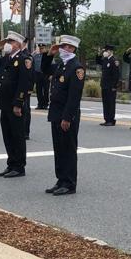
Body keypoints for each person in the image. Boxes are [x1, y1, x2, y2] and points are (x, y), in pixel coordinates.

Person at [46, 36, 84, 196]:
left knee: (68, 149)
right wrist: (49, 55)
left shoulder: (76, 68)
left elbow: (74, 96)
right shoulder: (62, 64)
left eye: (67, 47)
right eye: (62, 46)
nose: (63, 49)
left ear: (73, 49)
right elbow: (45, 70)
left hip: (66, 115)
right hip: (55, 112)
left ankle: (69, 183)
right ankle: (60, 179)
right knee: (59, 148)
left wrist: (67, 118)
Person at [0, 31, 32, 178]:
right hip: (5, 104)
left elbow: (25, 83)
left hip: (15, 104)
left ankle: (19, 166)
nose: (7, 44)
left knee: (17, 135)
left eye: (10, 42)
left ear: (17, 44)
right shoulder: (7, 59)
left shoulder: (24, 59)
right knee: (7, 135)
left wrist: (18, 103)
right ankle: (11, 163)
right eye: (7, 42)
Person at [96, 44, 121, 126]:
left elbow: (116, 75)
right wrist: (99, 53)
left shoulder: (114, 61)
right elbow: (98, 61)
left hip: (111, 86)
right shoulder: (105, 60)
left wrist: (114, 86)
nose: (105, 52)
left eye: (106, 51)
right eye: (105, 51)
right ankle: (106, 119)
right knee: (105, 103)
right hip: (104, 85)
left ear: (111, 51)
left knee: (110, 103)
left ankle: (111, 120)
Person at [33, 44, 51, 110]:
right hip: (38, 74)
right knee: (39, 90)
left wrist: (51, 75)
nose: (41, 50)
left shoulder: (48, 56)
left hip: (46, 74)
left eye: (42, 48)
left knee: (46, 90)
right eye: (40, 48)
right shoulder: (36, 56)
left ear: (45, 49)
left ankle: (46, 104)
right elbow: (32, 63)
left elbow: (52, 65)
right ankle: (40, 104)